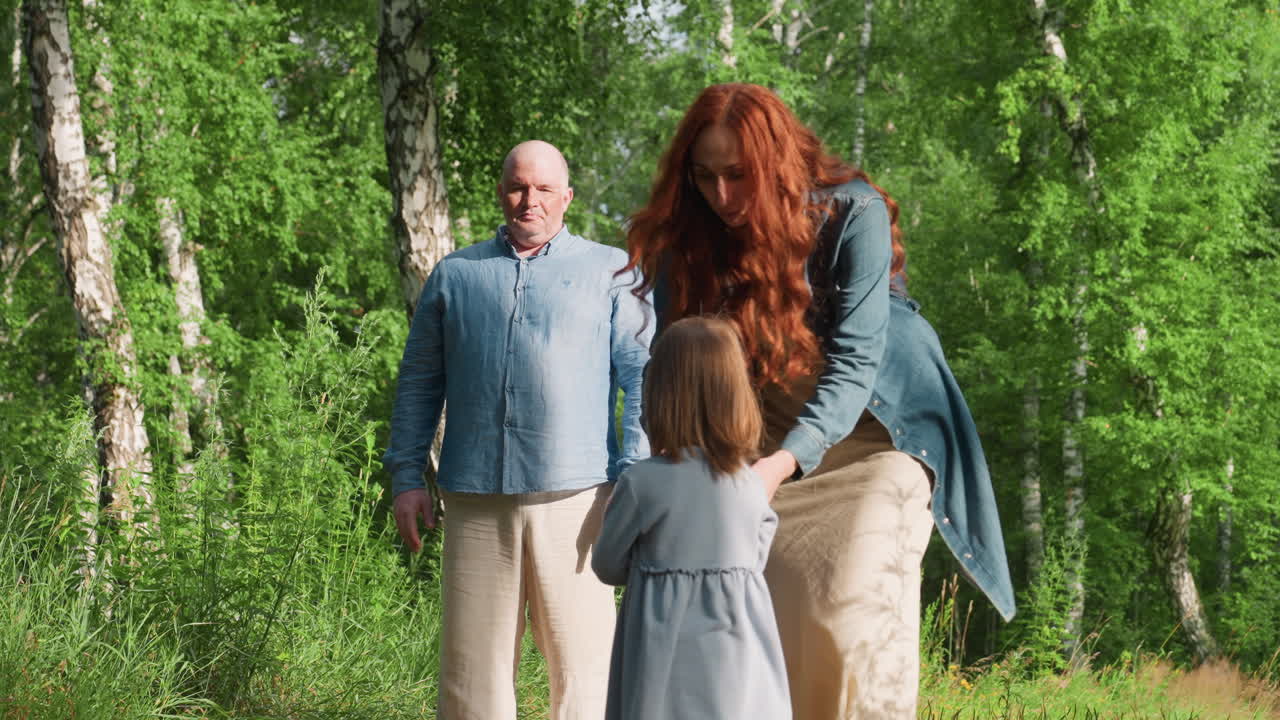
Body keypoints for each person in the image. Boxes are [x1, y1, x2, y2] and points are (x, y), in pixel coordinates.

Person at [622, 83, 1016, 719]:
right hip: (757, 448)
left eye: (738, 175)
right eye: (704, 177)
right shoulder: (689, 236)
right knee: (762, 627)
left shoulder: (850, 213)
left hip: (874, 438)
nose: (722, 196)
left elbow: (857, 361)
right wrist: (668, 468)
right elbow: (672, 365)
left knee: (848, 612)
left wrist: (778, 468)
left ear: (776, 162)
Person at [383, 140, 652, 720]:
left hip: (582, 501)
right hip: (475, 499)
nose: (530, 200)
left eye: (544, 189)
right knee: (470, 679)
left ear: (568, 197)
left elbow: (644, 380)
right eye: (518, 187)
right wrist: (406, 476)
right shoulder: (455, 275)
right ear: (502, 191)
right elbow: (419, 383)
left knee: (587, 673)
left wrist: (630, 477)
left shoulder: (611, 271)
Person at [592, 316, 791, 720]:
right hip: (739, 660)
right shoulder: (750, 486)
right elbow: (756, 558)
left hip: (660, 654)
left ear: (660, 395)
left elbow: (607, 565)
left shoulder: (642, 482)